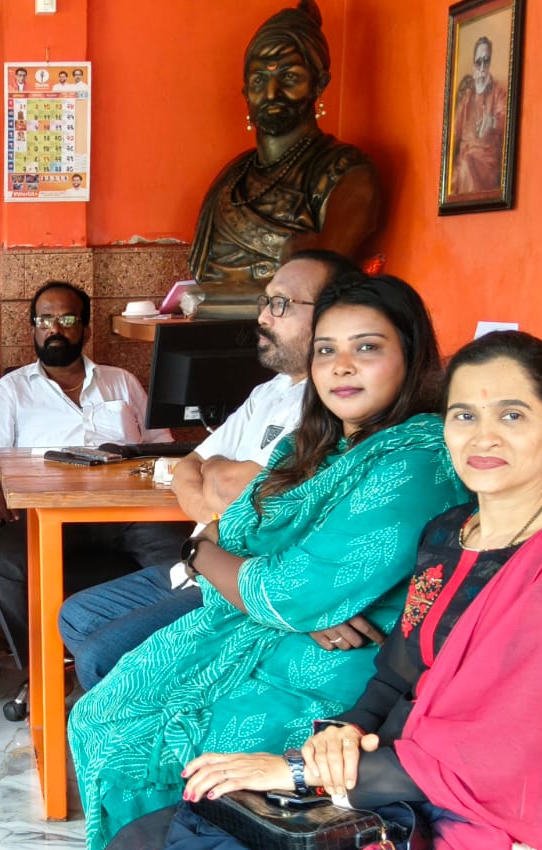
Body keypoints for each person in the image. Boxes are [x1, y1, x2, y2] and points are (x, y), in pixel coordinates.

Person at [99, 332, 542, 850]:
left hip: (492, 825)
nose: (483, 436)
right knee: (147, 844)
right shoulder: (450, 533)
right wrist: (343, 734)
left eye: (512, 415)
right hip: (401, 781)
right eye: (464, 415)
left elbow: (510, 752)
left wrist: (300, 771)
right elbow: (397, 673)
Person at [69, 275, 468, 850]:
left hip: (332, 671)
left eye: (367, 347)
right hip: (257, 632)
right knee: (100, 714)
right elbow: (238, 540)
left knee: (160, 748)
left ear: (410, 356)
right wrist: (227, 563)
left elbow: (286, 589)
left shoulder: (416, 460)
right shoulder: (312, 445)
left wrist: (203, 554)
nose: (341, 366)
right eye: (326, 350)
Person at [58, 250, 365, 689]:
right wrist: (219, 498)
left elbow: (262, 497)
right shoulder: (270, 391)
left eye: (281, 304)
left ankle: (146, 705)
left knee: (102, 657)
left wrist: (220, 487)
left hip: (242, 582)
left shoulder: (334, 399)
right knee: (78, 614)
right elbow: (193, 467)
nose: (263, 317)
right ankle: (153, 700)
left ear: (336, 316)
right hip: (198, 564)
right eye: (265, 301)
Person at [0, 281, 181, 677]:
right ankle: (45, 669)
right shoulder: (12, 389)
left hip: (131, 514)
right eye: (44, 320)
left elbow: (163, 447)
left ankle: (151, 667)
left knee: (187, 565)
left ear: (85, 328)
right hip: (47, 515)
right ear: (33, 328)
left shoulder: (121, 382)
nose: (55, 328)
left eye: (67, 320)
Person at [185, 0, 381, 312]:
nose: (271, 93)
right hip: (209, 329)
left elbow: (321, 273)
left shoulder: (345, 171)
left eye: (290, 77)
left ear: (319, 84)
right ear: (245, 93)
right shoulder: (231, 178)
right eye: (259, 80)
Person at [450, 36, 507, 196]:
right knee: (462, 168)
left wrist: (492, 122)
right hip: (464, 160)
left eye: (486, 61)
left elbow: (506, 120)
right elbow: (454, 133)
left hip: (486, 163)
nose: (482, 68)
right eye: (478, 62)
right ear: (473, 65)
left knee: (466, 166)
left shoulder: (498, 92)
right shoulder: (467, 96)